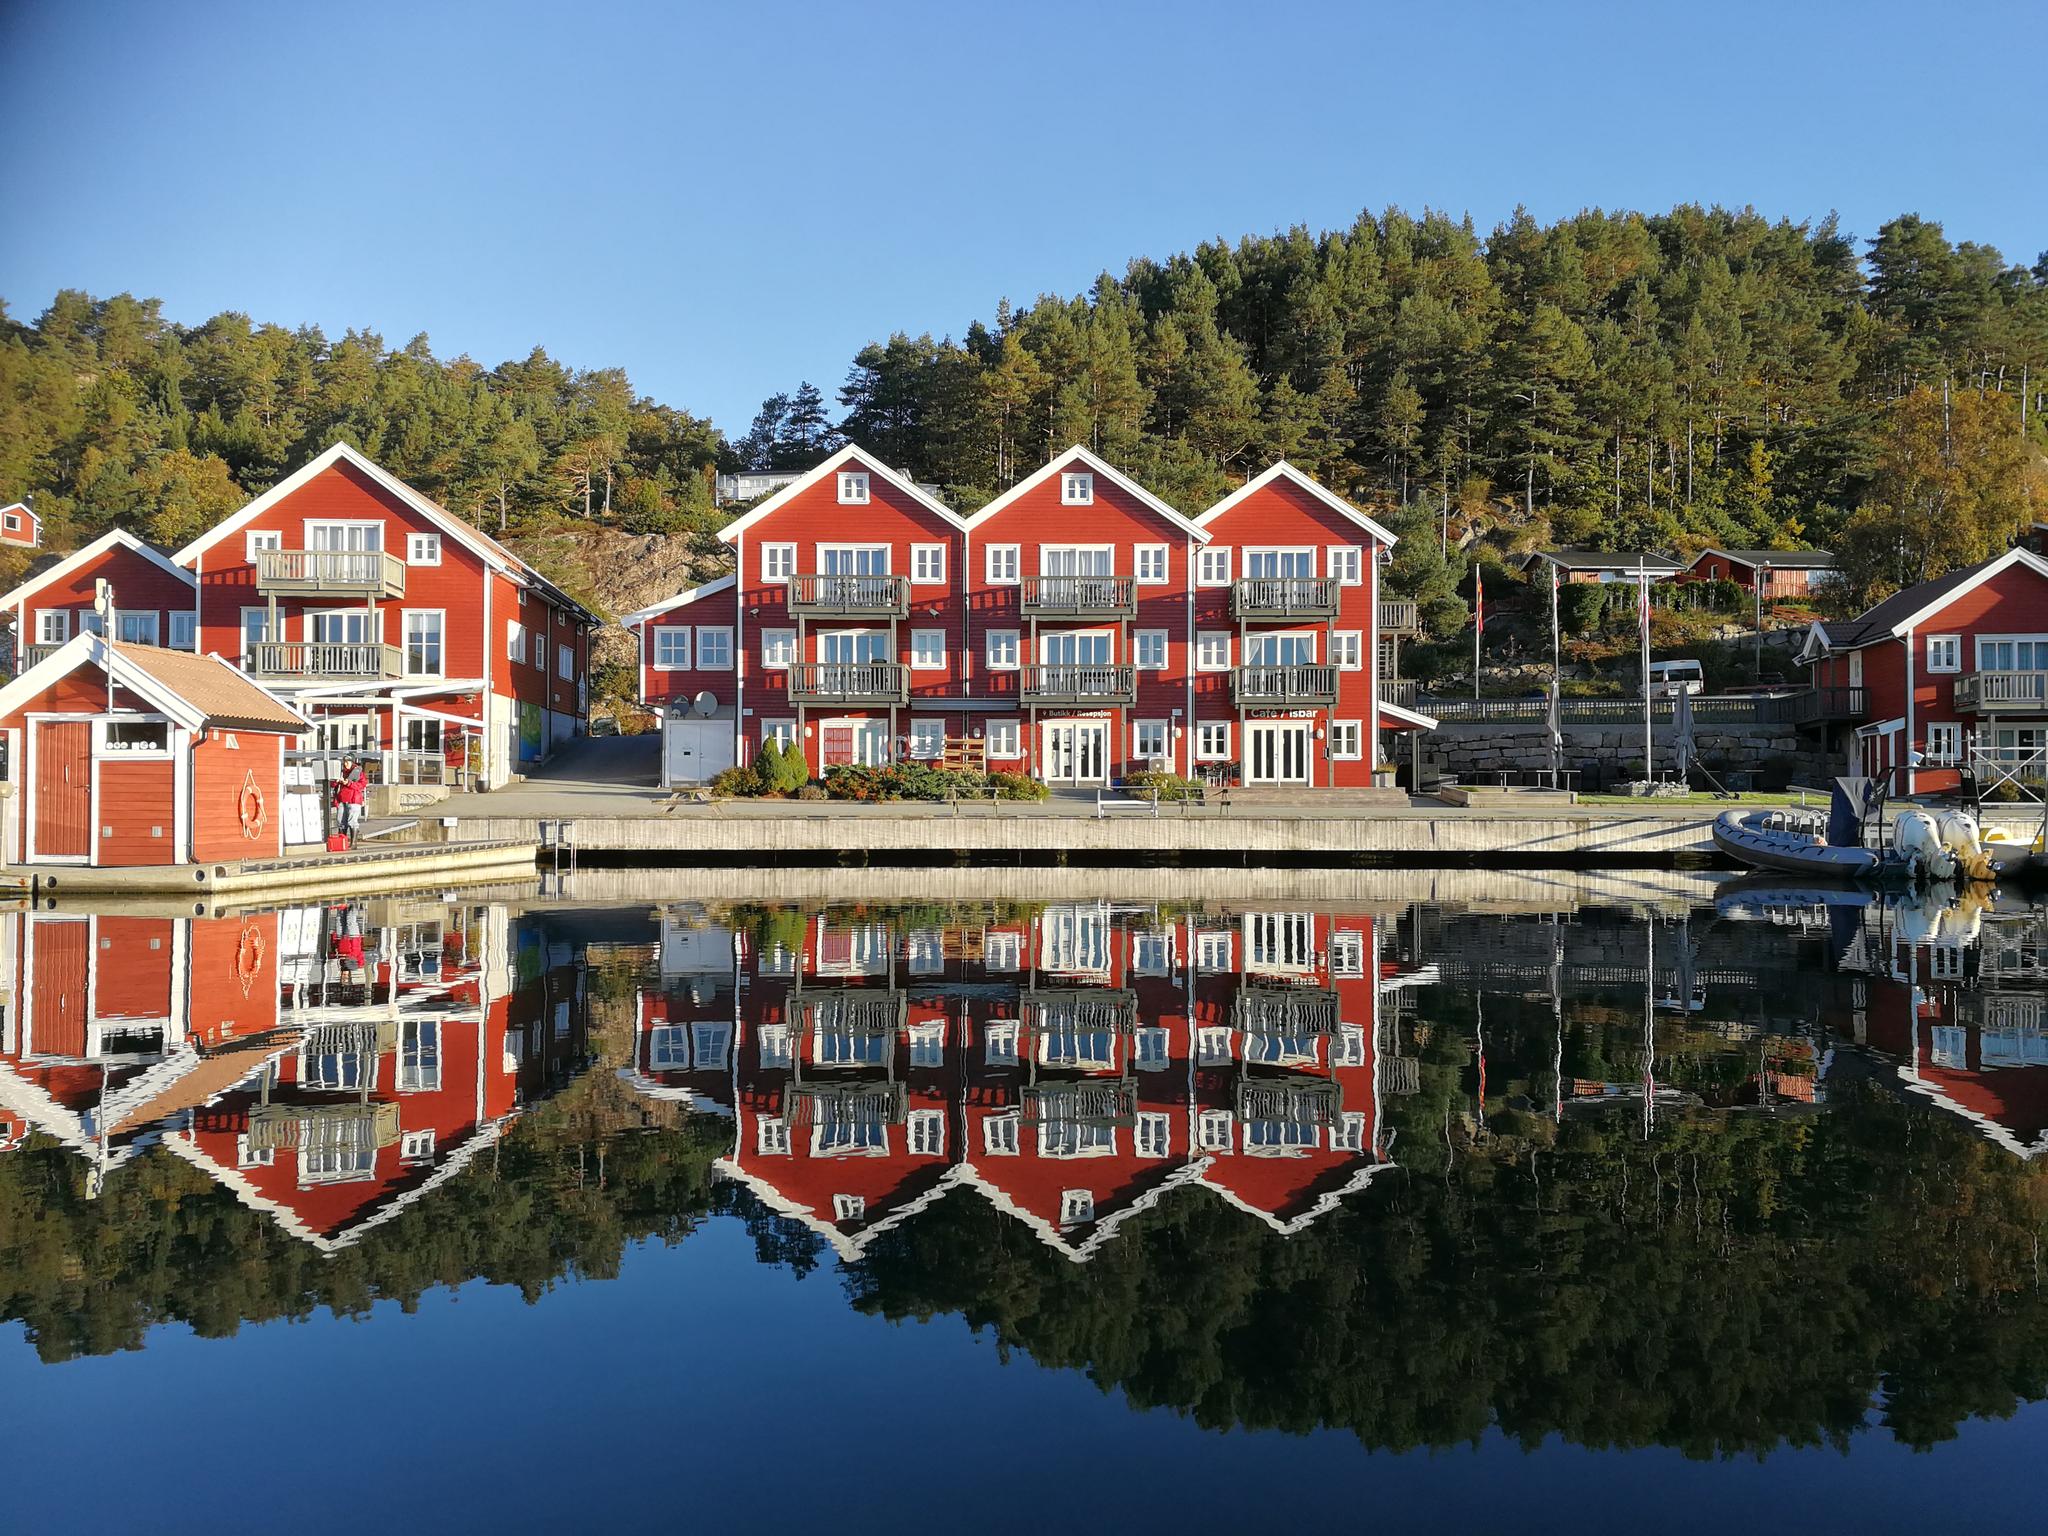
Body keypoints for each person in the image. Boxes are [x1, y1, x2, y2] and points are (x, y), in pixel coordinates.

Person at [333, 756, 367, 846]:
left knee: (352, 821)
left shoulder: (358, 772)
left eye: (348, 762)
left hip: (354, 800)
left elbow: (362, 785)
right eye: (344, 762)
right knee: (340, 822)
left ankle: (353, 843)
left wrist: (348, 783)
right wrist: (336, 781)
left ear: (352, 762)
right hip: (342, 799)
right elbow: (333, 785)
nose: (345, 764)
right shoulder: (341, 772)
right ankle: (342, 843)